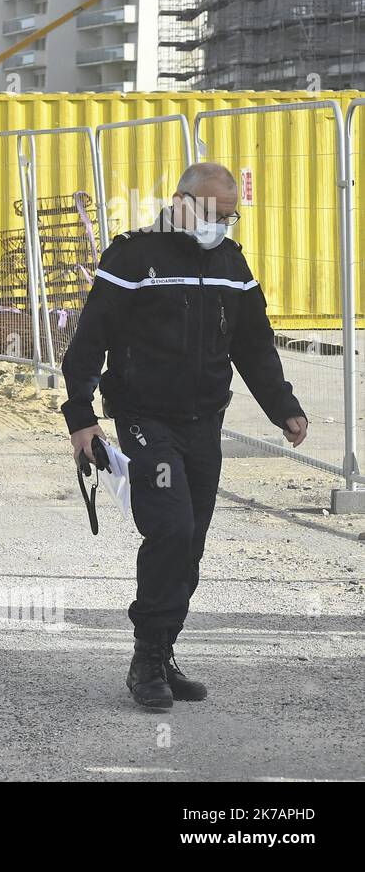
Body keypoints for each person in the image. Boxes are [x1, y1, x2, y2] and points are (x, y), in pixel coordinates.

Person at [61, 162, 308, 711]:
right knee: (171, 528)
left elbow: (254, 345)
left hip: (205, 421)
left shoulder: (231, 263)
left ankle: (162, 650)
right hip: (146, 419)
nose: (218, 224)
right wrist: (80, 416)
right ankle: (145, 659)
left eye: (229, 215)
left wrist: (283, 408)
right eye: (210, 213)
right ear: (179, 201)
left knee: (190, 540)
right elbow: (89, 340)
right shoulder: (132, 256)